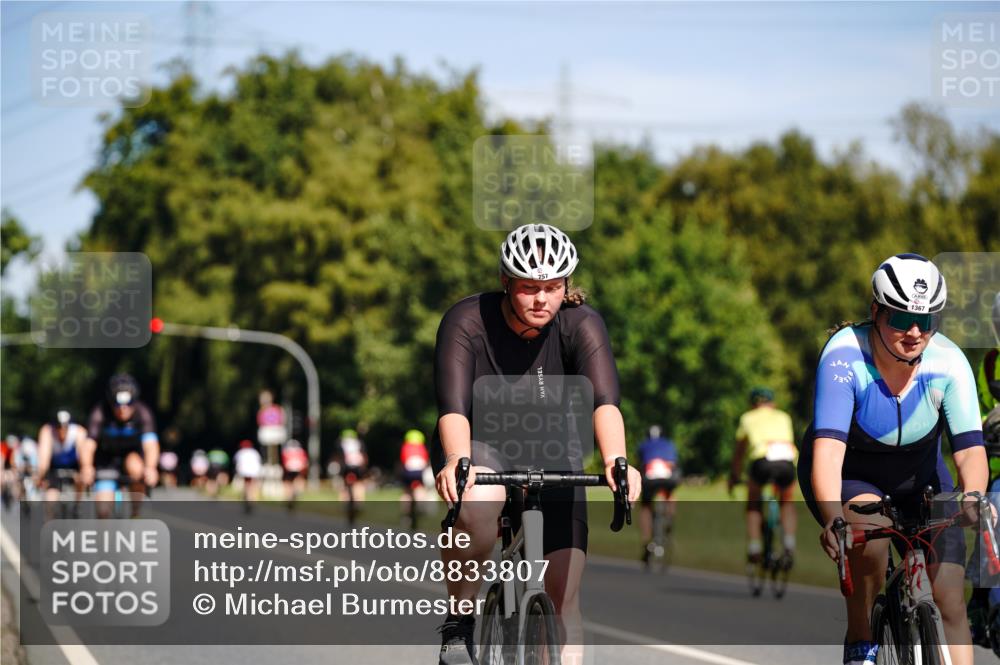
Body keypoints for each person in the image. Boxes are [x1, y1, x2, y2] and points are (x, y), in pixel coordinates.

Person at [432, 223, 641, 665]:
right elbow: (451, 407)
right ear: (506, 281)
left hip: (553, 448)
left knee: (564, 598)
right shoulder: (467, 321)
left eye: (552, 287)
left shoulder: (581, 323)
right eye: (529, 288)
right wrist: (456, 460)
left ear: (566, 286)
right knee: (477, 504)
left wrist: (617, 460)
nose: (541, 299)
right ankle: (460, 620)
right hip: (479, 439)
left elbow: (605, 402)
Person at [799, 254, 987, 665]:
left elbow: (971, 447)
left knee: (951, 596)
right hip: (852, 473)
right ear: (875, 313)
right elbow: (828, 452)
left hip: (921, 475)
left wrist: (973, 495)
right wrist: (834, 516)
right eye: (900, 318)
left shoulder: (950, 362)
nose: (915, 332)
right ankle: (861, 642)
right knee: (874, 538)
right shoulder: (844, 356)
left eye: (927, 320)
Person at [728, 387, 798, 567]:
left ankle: (754, 547)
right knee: (787, 503)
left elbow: (740, 452)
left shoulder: (747, 418)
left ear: (753, 404)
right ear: (772, 403)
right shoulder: (784, 416)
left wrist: (734, 476)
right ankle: (789, 543)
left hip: (762, 461)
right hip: (786, 461)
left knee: (753, 504)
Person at [967, 292, 1000, 649]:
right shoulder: (990, 364)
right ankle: (981, 608)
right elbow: (973, 416)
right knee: (987, 533)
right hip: (994, 469)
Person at [79, 374, 160, 518]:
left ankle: (136, 513)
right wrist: (86, 467)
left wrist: (151, 468)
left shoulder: (143, 413)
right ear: (110, 401)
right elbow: (88, 444)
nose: (123, 408)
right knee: (103, 509)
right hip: (106, 459)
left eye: (128, 404)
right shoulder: (100, 412)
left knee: (137, 468)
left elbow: (151, 445)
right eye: (117, 404)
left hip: (131, 455)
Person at [636, 425, 680, 563]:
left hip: (650, 479)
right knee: (670, 494)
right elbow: (674, 464)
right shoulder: (669, 444)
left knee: (646, 506)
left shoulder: (643, 445)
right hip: (668, 478)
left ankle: (646, 540)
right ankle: (669, 519)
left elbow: (641, 465)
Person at [35, 409, 86, 515]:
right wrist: (40, 477)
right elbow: (44, 461)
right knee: (50, 500)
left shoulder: (78, 432)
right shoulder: (47, 431)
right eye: (58, 427)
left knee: (81, 480)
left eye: (65, 427)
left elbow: (83, 457)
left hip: (74, 466)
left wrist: (83, 472)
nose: (62, 430)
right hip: (54, 468)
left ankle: (77, 505)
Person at [400, 428, 431, 518]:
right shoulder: (422, 448)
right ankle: (420, 506)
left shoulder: (405, 447)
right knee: (419, 489)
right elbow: (425, 461)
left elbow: (403, 460)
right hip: (419, 472)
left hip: (407, 472)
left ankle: (405, 511)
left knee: (406, 492)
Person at [337, 429, 368, 502]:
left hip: (346, 467)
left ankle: (344, 501)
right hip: (357, 467)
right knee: (359, 483)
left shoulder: (340, 443)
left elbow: (338, 457)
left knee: (344, 484)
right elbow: (364, 457)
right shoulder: (359, 443)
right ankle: (359, 501)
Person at [234, 439, 263, 512]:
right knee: (253, 486)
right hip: (254, 471)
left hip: (244, 471)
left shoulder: (240, 452)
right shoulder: (255, 452)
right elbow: (259, 461)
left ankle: (247, 497)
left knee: (246, 484)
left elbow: (236, 461)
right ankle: (252, 499)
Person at [281, 438, 308, 509]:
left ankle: (289, 498)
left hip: (289, 470)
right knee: (298, 482)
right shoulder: (301, 451)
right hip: (298, 469)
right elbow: (305, 463)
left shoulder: (286, 451)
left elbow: (284, 463)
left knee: (288, 484)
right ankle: (296, 492)